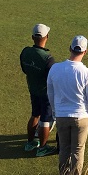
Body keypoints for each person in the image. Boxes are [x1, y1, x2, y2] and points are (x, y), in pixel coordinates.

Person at [46, 35, 88, 175]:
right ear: (85, 52)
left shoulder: (55, 69)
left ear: (70, 49)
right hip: (81, 118)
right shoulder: (87, 73)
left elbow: (50, 93)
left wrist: (54, 111)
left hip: (62, 117)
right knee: (77, 152)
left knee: (64, 150)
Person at [20, 23, 57, 157]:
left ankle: (30, 143)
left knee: (35, 115)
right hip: (45, 93)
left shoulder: (25, 52)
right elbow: (52, 79)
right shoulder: (48, 58)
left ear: (32, 37)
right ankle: (42, 147)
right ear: (47, 36)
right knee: (45, 120)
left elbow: (25, 69)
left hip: (33, 90)